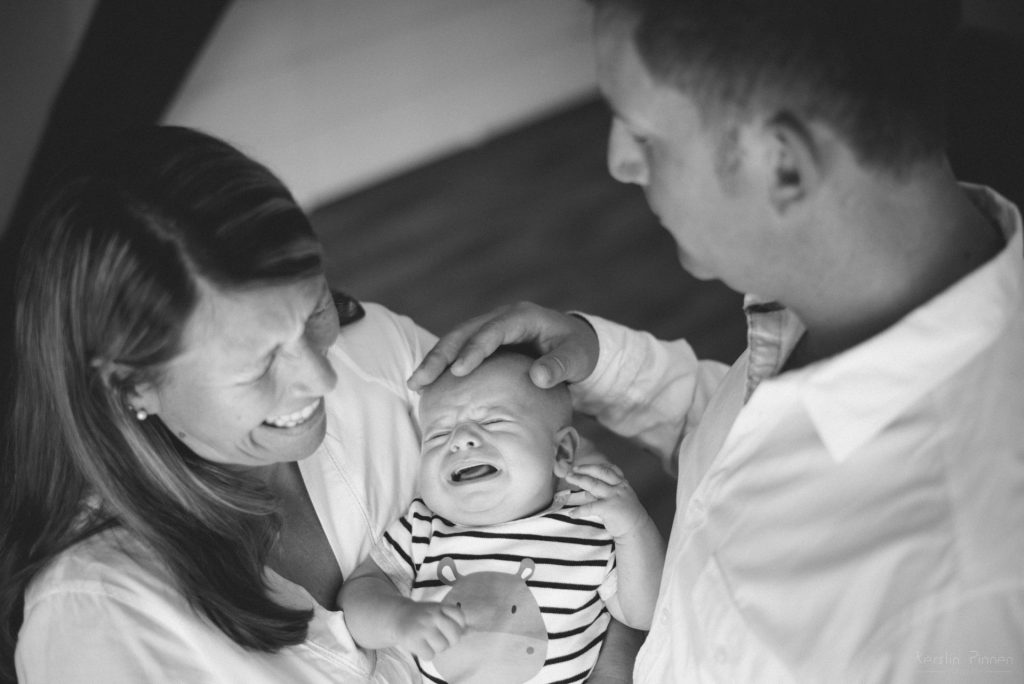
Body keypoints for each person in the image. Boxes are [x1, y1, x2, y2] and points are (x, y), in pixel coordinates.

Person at [408, 0, 1024, 682]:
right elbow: (753, 453)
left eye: (643, 134)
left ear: (782, 164)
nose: (617, 163)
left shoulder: (965, 599)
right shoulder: (826, 309)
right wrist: (601, 359)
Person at [0, 126, 637, 683]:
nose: (321, 378)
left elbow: (565, 483)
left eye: (315, 311)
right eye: (258, 363)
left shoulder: (377, 352)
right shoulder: (100, 622)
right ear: (133, 384)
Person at [341, 349, 664, 683]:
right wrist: (397, 618)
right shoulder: (423, 527)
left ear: (562, 451)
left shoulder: (590, 521)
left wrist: (633, 528)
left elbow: (643, 614)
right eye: (438, 434)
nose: (461, 439)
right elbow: (359, 595)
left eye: (493, 421)